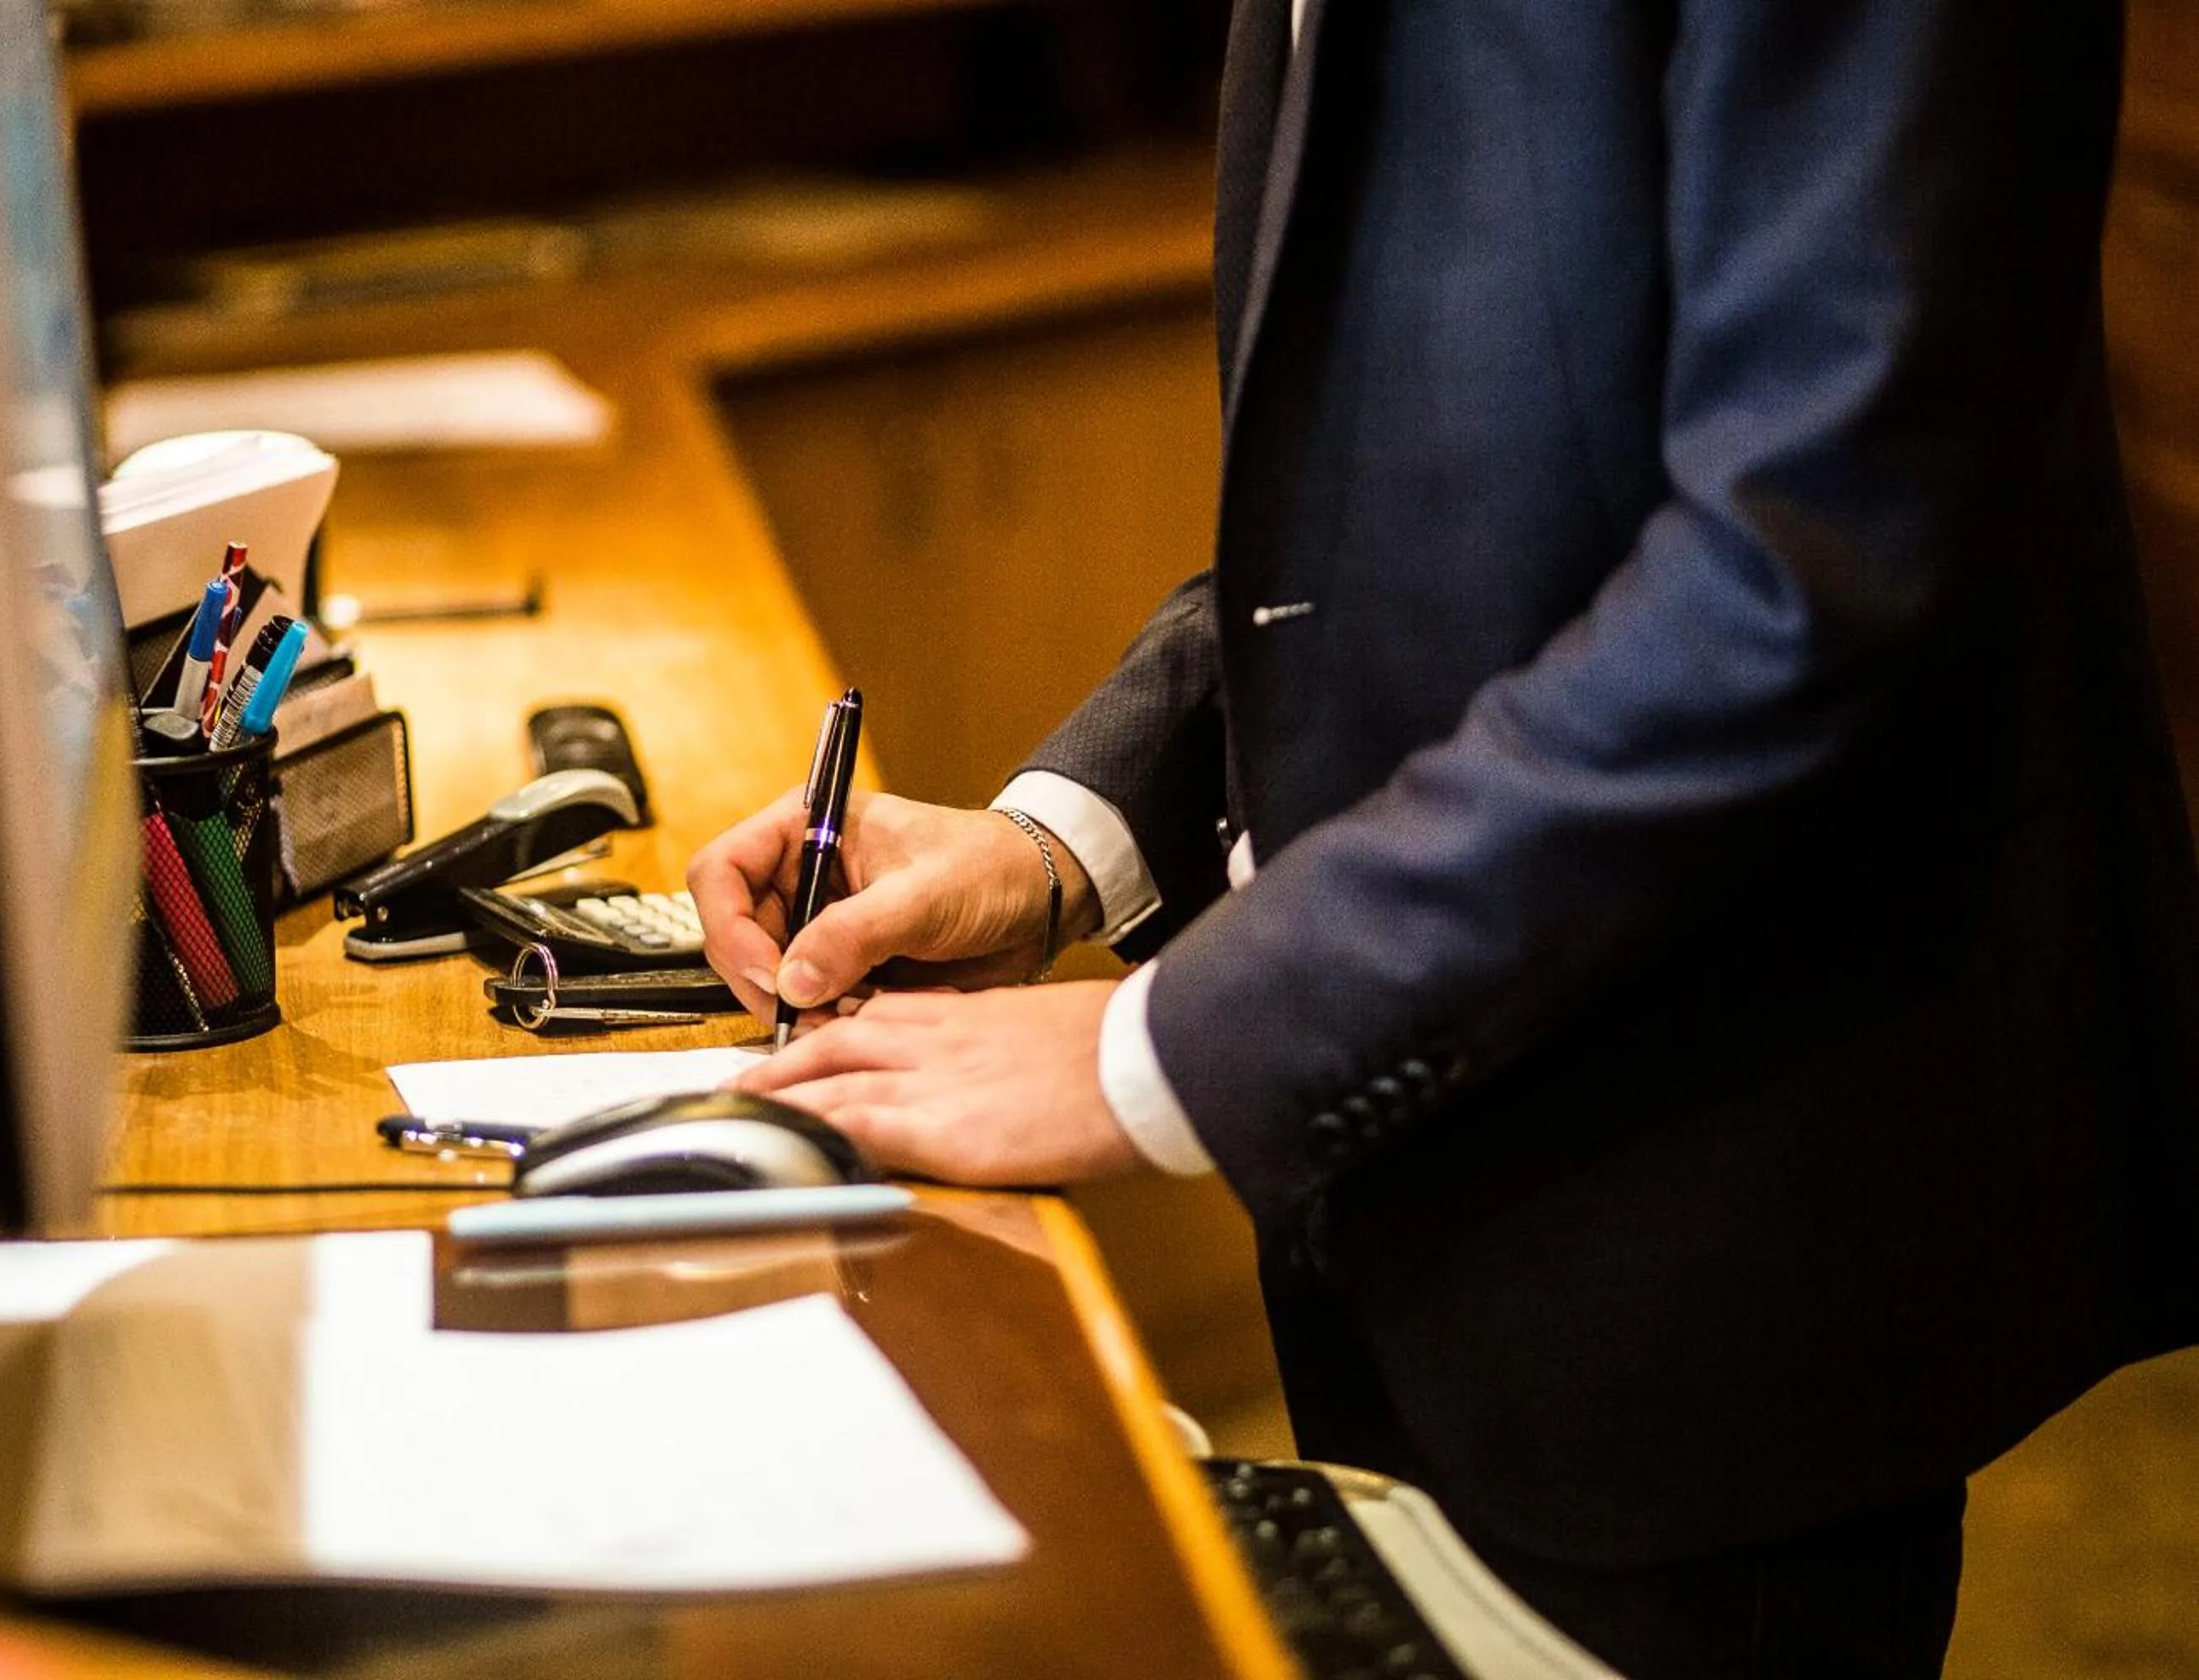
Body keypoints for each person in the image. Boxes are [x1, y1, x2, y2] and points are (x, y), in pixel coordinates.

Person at [686, 0, 2199, 1673]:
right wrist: (1068, 839)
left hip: (1710, 1211)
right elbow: (1440, 492)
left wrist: (1168, 1045)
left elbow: (1802, 585)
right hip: (1416, 1182)